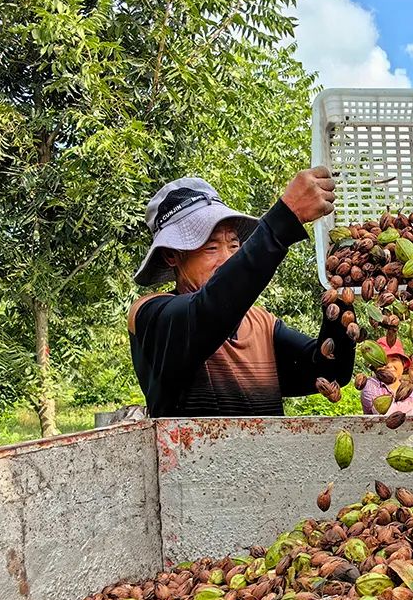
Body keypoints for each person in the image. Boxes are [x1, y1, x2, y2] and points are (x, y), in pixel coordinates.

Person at [128, 169, 355, 417]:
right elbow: (208, 312)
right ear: (172, 255)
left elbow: (328, 370)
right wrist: (285, 218)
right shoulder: (151, 316)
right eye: (211, 247)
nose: (227, 258)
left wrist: (344, 291)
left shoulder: (260, 325)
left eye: (234, 245)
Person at [360, 337, 413, 415]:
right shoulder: (370, 386)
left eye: (394, 360)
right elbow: (385, 414)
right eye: (384, 361)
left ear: (403, 364)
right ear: (375, 366)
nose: (389, 365)